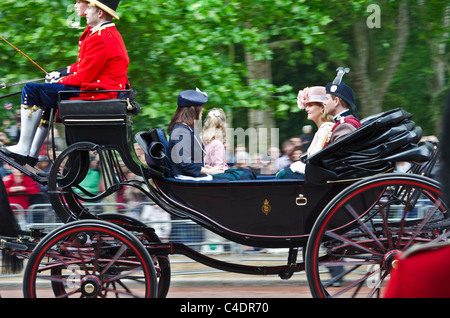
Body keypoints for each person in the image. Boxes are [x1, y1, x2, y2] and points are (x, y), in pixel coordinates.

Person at [0, 0, 129, 167]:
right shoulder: (102, 33)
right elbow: (84, 65)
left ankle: (24, 148)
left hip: (97, 92)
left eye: (89, 7)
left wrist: (59, 80)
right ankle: (31, 154)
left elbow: (83, 77)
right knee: (45, 96)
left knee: (30, 90)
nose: (85, 11)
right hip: (100, 90)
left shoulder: (102, 38)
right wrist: (62, 72)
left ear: (100, 13)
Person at [277, 86, 334, 179]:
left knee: (283, 175)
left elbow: (317, 163)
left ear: (322, 108)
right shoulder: (322, 129)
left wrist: (297, 166)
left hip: (318, 178)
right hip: (314, 175)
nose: (306, 109)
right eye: (306, 105)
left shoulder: (326, 129)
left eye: (310, 105)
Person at [168, 89, 224, 180]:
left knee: (244, 173)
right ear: (192, 110)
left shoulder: (187, 129)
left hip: (192, 177)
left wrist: (206, 168)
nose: (202, 109)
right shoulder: (181, 131)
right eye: (200, 107)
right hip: (188, 179)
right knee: (243, 176)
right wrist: (209, 171)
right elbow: (186, 165)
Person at [323, 80, 361, 146]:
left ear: (336, 101)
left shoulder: (344, 126)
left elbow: (340, 155)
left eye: (327, 99)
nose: (324, 103)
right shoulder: (344, 123)